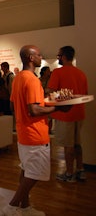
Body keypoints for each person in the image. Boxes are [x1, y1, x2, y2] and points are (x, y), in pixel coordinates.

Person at [3, 45, 71, 216]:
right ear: (31, 58)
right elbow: (34, 110)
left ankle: (25, 208)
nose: (42, 57)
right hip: (35, 134)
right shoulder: (32, 80)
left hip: (23, 133)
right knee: (34, 174)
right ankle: (11, 207)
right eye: (39, 55)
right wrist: (58, 108)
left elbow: (12, 105)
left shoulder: (18, 78)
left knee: (27, 170)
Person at [47, 46, 88, 182]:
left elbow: (52, 92)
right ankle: (80, 170)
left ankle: (69, 173)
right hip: (79, 112)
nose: (58, 58)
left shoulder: (58, 73)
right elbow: (84, 95)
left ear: (63, 56)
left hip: (65, 114)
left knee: (68, 145)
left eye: (59, 56)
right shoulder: (81, 73)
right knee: (77, 143)